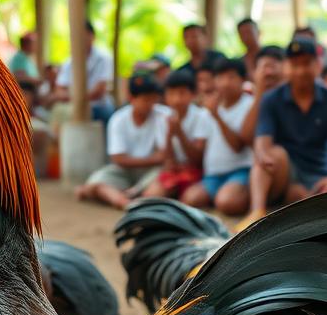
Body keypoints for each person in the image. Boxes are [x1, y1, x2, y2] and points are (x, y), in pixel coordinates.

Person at [245, 38, 327, 226]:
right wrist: (263, 155)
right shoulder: (271, 99)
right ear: (286, 67)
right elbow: (262, 140)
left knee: (308, 200)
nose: (301, 70)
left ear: (318, 65)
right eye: (295, 64)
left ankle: (298, 198)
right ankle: (256, 212)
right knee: (271, 155)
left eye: (307, 63)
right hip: (287, 171)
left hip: (320, 173)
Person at [76, 72, 169, 209]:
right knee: (98, 181)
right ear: (132, 98)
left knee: (162, 175)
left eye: (153, 99)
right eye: (146, 99)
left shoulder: (164, 115)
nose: (150, 104)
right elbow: (118, 159)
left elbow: (165, 157)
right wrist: (155, 159)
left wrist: (157, 160)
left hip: (150, 171)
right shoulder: (118, 119)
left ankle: (124, 197)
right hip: (124, 170)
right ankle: (124, 201)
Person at [182, 57, 254, 215]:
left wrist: (217, 116)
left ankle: (239, 194)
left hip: (240, 170)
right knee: (190, 199)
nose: (225, 83)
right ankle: (222, 194)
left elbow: (238, 146)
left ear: (243, 80)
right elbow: (199, 151)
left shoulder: (249, 105)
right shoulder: (206, 110)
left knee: (227, 203)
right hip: (212, 175)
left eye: (232, 77)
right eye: (221, 77)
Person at [156, 70, 212, 200]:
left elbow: (197, 159)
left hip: (196, 171)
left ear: (192, 94)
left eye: (182, 93)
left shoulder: (201, 116)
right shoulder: (163, 118)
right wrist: (170, 134)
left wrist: (179, 132)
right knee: (153, 195)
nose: (176, 99)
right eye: (171, 93)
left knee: (190, 199)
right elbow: (167, 160)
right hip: (175, 171)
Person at [53, 21, 115, 122]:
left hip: (98, 106)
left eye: (83, 35)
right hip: (72, 105)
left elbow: (99, 91)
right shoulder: (68, 62)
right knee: (59, 111)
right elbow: (59, 91)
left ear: (92, 36)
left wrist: (74, 97)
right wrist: (77, 98)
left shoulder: (103, 58)